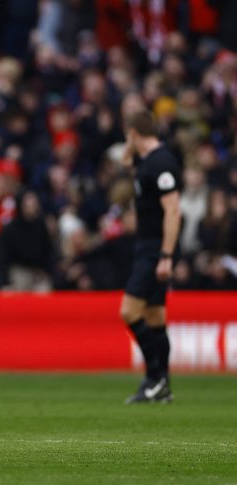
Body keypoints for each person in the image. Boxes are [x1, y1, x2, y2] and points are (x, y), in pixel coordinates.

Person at [119, 110, 182, 404]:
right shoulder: (146, 163)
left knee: (129, 311)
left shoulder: (161, 163)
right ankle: (162, 385)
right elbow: (128, 164)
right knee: (155, 316)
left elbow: (173, 210)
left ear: (133, 133)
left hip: (156, 248)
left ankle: (154, 377)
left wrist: (166, 255)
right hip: (148, 245)